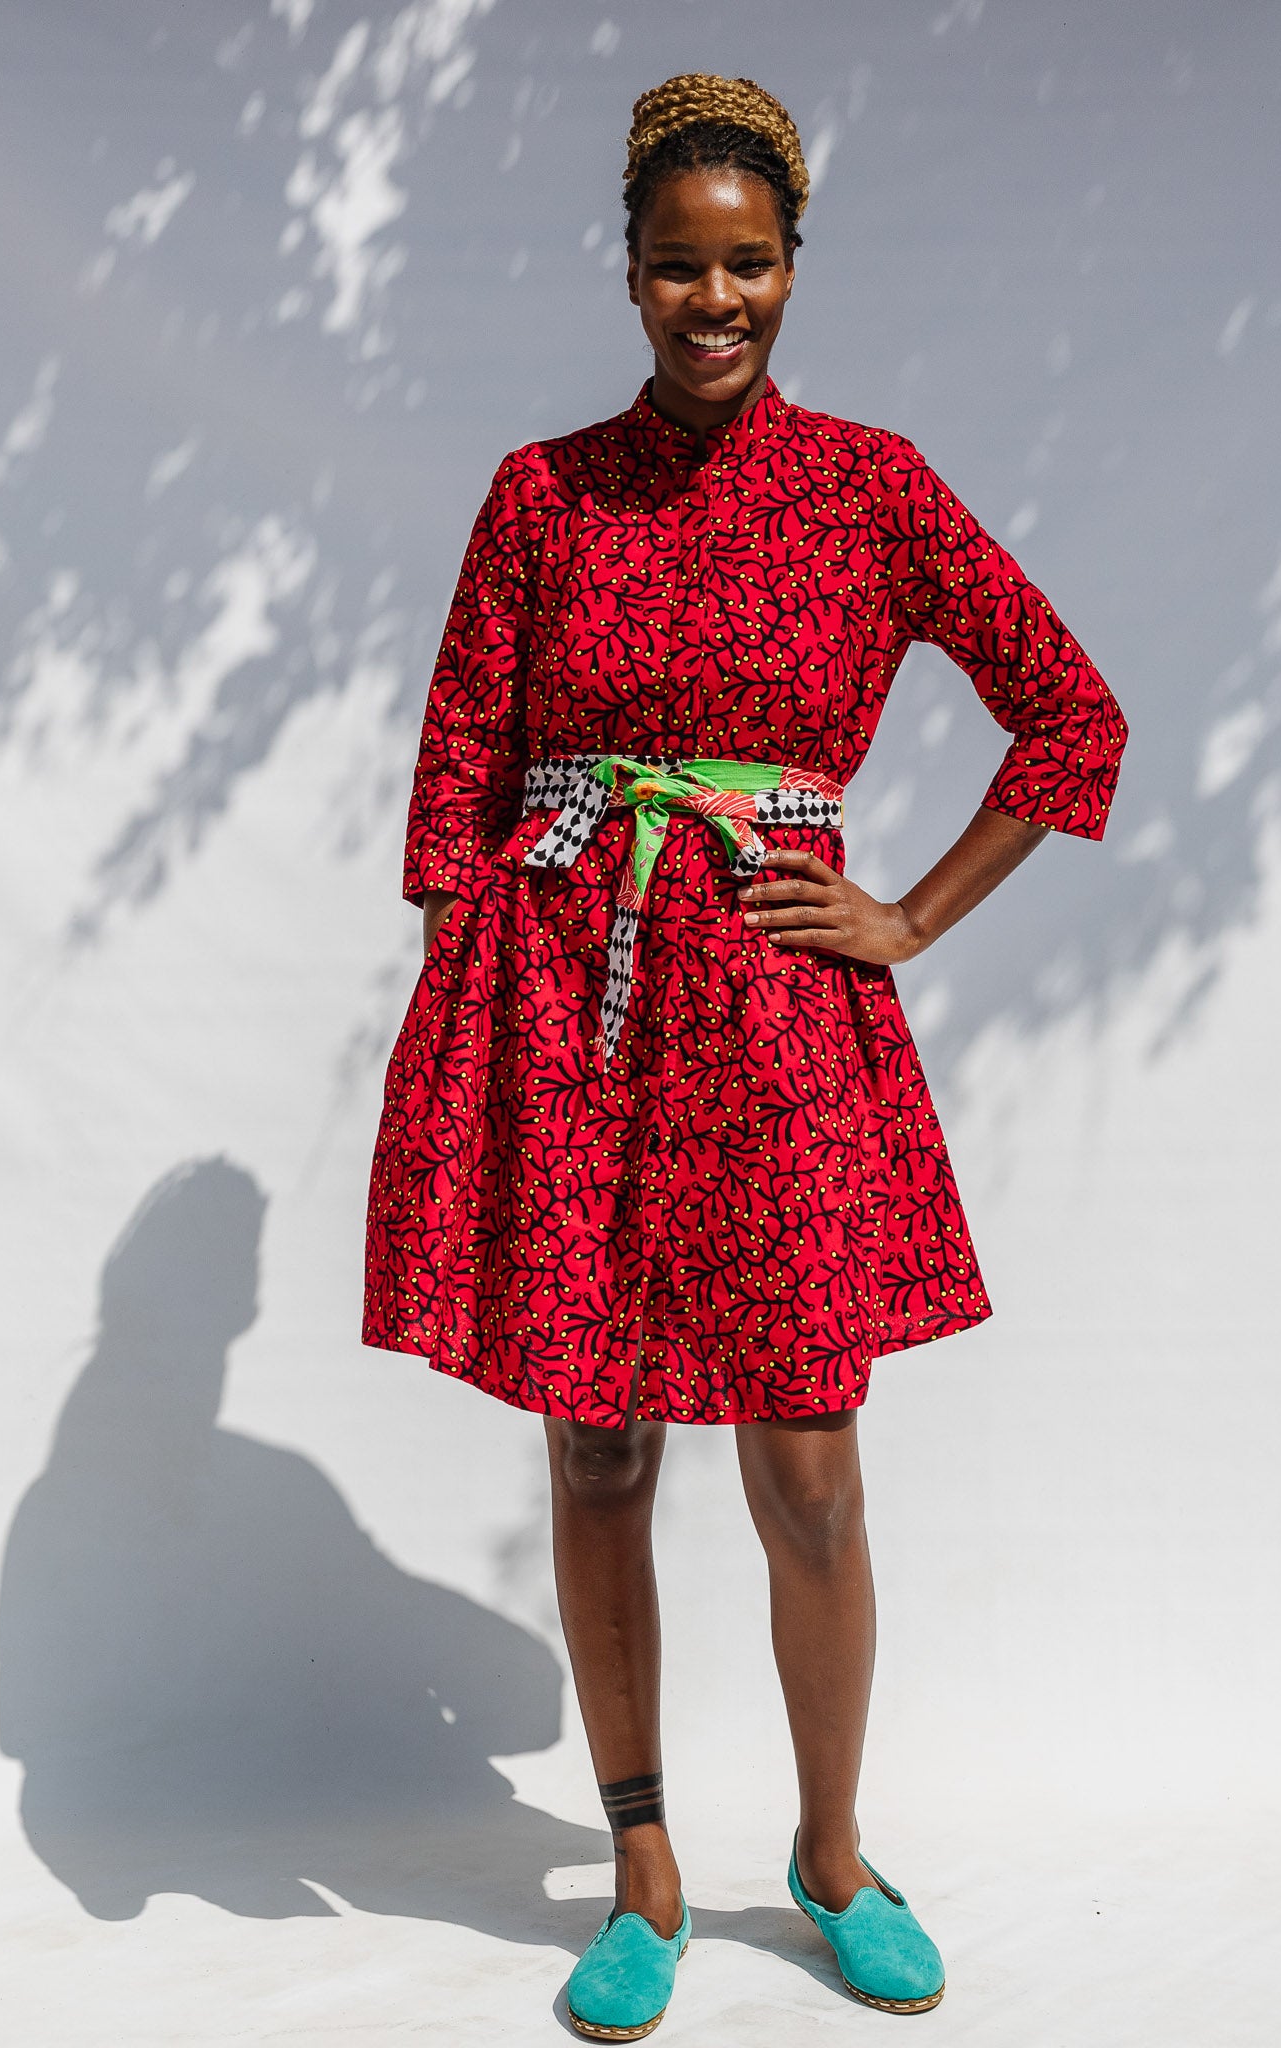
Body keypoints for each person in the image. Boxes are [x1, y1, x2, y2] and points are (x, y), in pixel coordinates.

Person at [363, 71, 1127, 2040]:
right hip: (574, 1017)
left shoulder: (872, 487)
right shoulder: (544, 494)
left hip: (780, 1022)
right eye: (682, 265)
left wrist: (904, 914)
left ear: (795, 268)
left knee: (809, 1472)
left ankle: (834, 1850)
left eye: (753, 262)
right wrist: (475, 1040)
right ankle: (642, 1864)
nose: (720, 298)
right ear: (627, 275)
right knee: (599, 1439)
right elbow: (461, 765)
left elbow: (1071, 718)